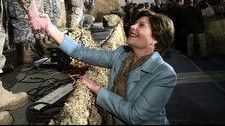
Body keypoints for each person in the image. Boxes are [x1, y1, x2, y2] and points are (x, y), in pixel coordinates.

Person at [30, 9, 176, 125]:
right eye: (135, 23)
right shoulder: (121, 54)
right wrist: (50, 28)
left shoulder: (164, 74)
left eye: (141, 25)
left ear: (156, 39)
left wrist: (97, 89)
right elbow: (81, 51)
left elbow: (136, 116)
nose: (132, 26)